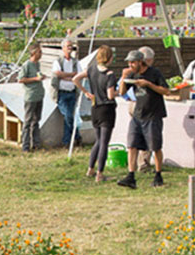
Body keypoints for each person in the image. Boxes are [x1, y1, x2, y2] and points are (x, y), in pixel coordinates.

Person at [115, 49, 169, 189]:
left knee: (155, 146)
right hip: (137, 115)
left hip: (153, 115)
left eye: (132, 62)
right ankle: (131, 176)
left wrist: (148, 84)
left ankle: (158, 175)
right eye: (129, 62)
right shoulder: (132, 74)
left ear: (140, 62)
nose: (130, 65)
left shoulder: (154, 73)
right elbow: (122, 93)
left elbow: (166, 91)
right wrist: (123, 78)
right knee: (132, 145)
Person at [83, 45, 118, 182]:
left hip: (95, 108)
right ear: (109, 58)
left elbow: (76, 79)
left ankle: (90, 168)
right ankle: (100, 173)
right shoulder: (110, 75)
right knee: (104, 142)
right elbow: (110, 95)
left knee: (98, 141)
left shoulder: (91, 70)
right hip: (107, 109)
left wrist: (86, 92)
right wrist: (120, 92)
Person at [52, 39, 82, 149]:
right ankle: (73, 138)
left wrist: (67, 76)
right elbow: (57, 74)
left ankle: (69, 141)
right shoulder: (58, 61)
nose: (70, 48)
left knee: (70, 116)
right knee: (68, 116)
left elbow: (79, 75)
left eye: (71, 46)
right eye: (68, 46)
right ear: (63, 48)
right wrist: (71, 76)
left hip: (72, 92)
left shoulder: (75, 62)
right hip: (62, 93)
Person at [17, 43, 46, 152]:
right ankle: (25, 146)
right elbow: (21, 79)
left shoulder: (37, 64)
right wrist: (35, 79)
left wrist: (41, 77)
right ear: (34, 53)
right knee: (28, 121)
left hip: (39, 95)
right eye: (39, 52)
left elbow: (37, 76)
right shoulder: (27, 65)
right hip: (30, 96)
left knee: (36, 120)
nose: (41, 54)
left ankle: (36, 144)